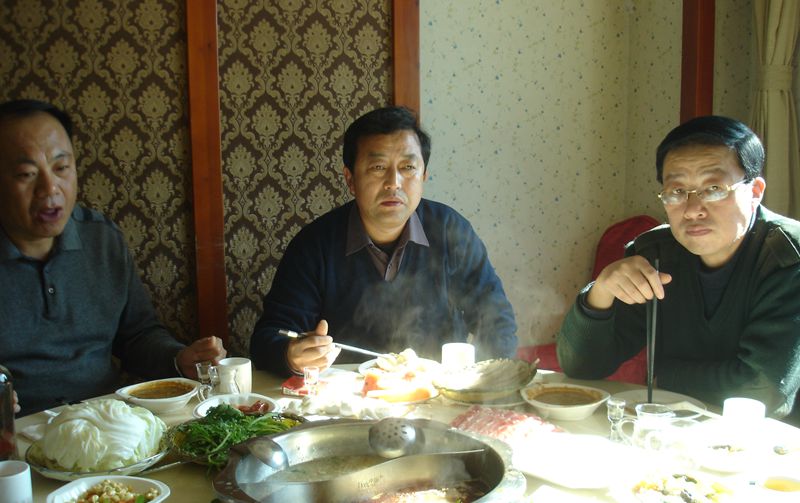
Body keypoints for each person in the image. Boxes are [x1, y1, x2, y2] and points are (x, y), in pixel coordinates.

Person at [556, 115, 800, 418]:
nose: (693, 210)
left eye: (714, 188)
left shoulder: (788, 257)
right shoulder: (655, 254)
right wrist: (600, 292)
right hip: (676, 428)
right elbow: (582, 367)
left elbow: (762, 391)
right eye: (676, 192)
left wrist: (666, 376)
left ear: (755, 192)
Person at [250, 106, 517, 375]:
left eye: (408, 167)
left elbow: (497, 321)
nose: (394, 183)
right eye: (378, 167)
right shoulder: (314, 245)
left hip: (438, 390)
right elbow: (267, 339)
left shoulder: (450, 230)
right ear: (350, 179)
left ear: (424, 176)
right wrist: (291, 355)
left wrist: (487, 382)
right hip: (345, 395)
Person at [0, 99, 226, 415]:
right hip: (19, 429)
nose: (50, 189)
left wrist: (178, 359)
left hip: (104, 420)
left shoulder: (101, 238)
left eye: (61, 168)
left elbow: (137, 336)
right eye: (26, 174)